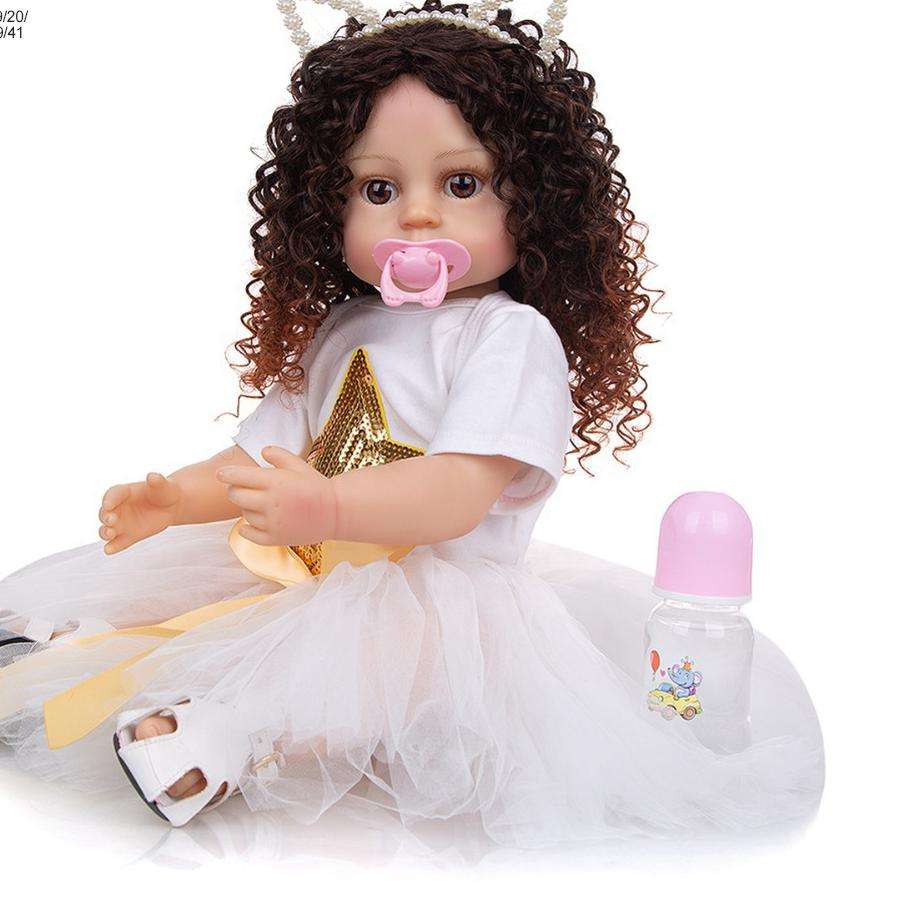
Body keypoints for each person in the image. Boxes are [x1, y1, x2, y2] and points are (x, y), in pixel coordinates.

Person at [0, 3, 823, 849]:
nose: (417, 216)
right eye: (380, 188)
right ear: (327, 206)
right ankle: (86, 649)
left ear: (536, 199)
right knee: (219, 584)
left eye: (461, 184)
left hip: (441, 588)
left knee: (390, 644)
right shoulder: (344, 327)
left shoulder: (509, 338)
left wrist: (328, 507)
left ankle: (231, 732)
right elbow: (261, 457)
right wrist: (178, 498)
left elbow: (458, 492)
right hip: (309, 559)